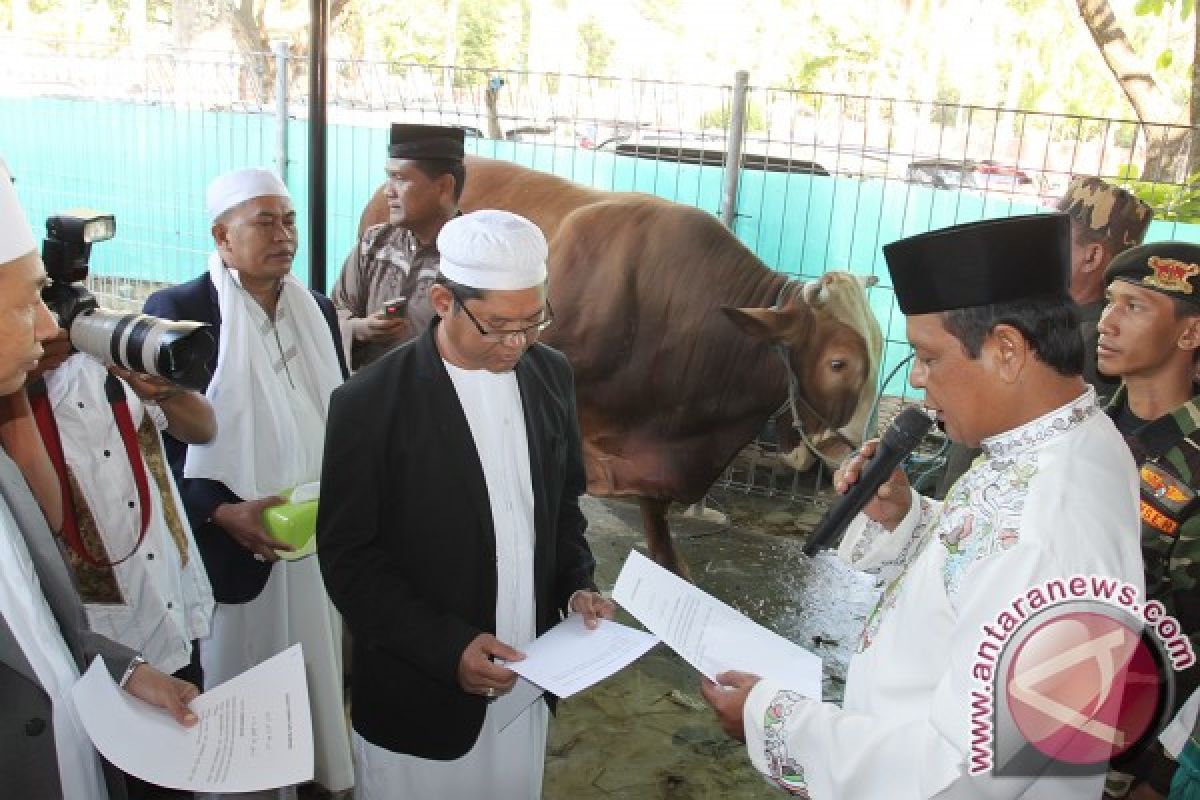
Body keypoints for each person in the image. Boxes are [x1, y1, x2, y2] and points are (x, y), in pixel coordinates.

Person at [701, 213, 1145, 798]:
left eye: (929, 357)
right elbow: (988, 555)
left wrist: (774, 722)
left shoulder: (1051, 523)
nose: (915, 380)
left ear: (1007, 351)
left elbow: (964, 772)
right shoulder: (1059, 439)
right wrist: (908, 518)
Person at [317, 209, 613, 799]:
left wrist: (575, 584)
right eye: (499, 326)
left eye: (533, 322)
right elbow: (350, 562)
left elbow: (561, 509)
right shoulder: (371, 402)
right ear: (444, 300)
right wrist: (444, 647)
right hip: (420, 696)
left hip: (524, 674)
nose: (517, 343)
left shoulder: (550, 375)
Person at [143, 167, 354, 797]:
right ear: (222, 235)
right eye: (265, 221)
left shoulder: (316, 310)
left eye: (289, 220)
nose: (284, 234)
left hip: (312, 537)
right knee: (243, 687)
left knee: (316, 673)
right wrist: (218, 513)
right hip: (234, 546)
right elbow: (160, 443)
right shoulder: (177, 314)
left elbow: (336, 417)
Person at [0, 158, 198, 799]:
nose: (53, 325)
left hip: (141, 644)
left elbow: (36, 619)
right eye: (26, 303)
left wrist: (126, 669)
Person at [28, 346, 217, 799]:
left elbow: (203, 427)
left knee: (180, 774)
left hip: (171, 606)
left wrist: (163, 391)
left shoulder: (109, 348)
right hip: (100, 638)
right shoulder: (15, 393)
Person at [934, 176, 1153, 498]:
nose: (1033, 249)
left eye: (1051, 239)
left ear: (1091, 257)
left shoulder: (1096, 343)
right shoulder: (1043, 316)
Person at [1094, 242, 1200, 799]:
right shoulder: (1075, 430)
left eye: (1134, 307)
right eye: (1110, 302)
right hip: (1040, 705)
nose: (1107, 321)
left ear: (1190, 333)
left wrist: (1162, 773)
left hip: (1145, 743)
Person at [331, 123, 466, 370]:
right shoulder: (374, 244)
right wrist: (360, 329)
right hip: (369, 395)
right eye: (388, 176)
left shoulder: (469, 261)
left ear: (444, 186)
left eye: (400, 178)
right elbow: (332, 315)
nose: (387, 191)